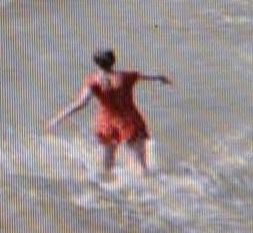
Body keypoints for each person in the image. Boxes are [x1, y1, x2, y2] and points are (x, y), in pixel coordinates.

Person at [46, 48, 170, 176]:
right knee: (141, 166)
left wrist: (58, 118)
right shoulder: (126, 76)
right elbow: (151, 76)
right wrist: (161, 78)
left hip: (106, 124)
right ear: (113, 61)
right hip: (130, 122)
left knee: (107, 167)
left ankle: (107, 191)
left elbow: (81, 103)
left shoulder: (93, 81)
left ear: (97, 63)